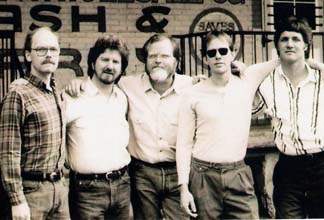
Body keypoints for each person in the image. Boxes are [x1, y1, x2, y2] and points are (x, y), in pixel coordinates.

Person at [65, 33, 194, 219]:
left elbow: (216, 83)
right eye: (152, 56)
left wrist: (237, 71)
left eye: (165, 56)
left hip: (173, 174)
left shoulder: (192, 87)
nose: (158, 61)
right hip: (137, 176)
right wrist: (76, 82)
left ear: (176, 62)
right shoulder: (125, 87)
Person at [176, 30, 281, 219]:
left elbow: (285, 56)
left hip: (238, 174)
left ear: (232, 53)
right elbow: (183, 144)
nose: (218, 56)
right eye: (212, 52)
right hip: (203, 176)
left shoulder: (247, 81)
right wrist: (184, 188)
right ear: (205, 58)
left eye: (223, 51)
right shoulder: (192, 94)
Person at [252, 16, 324, 218]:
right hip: (289, 167)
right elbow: (247, 109)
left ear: (306, 45)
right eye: (284, 39)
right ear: (277, 46)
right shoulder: (267, 84)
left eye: (296, 39)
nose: (289, 44)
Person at [0, 27, 69, 220]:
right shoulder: (18, 93)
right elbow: (8, 152)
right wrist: (17, 200)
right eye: (41, 49)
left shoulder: (55, 90)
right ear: (28, 55)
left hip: (59, 189)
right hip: (31, 191)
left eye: (53, 50)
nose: (49, 55)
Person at [65, 35, 131, 219]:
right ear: (93, 63)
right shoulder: (72, 96)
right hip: (87, 191)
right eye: (105, 59)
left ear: (121, 68)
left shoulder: (122, 98)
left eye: (116, 61)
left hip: (123, 184)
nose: (110, 66)